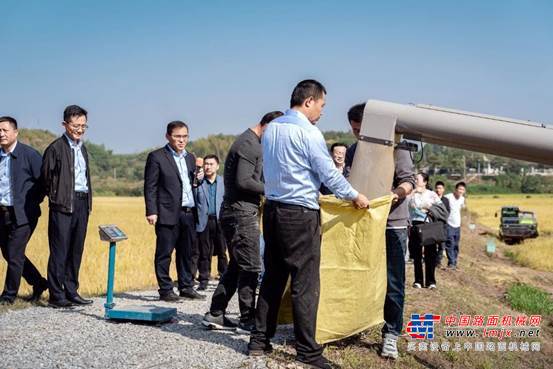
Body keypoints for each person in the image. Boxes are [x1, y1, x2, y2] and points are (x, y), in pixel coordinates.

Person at [249, 80, 369, 369]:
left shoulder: (272, 128)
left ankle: (258, 341)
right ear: (308, 102)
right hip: (300, 214)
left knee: (273, 277)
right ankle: (308, 351)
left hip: (273, 210)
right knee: (305, 282)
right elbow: (328, 173)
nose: (322, 111)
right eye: (322, 105)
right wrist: (355, 196)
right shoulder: (309, 132)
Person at [345, 102, 415, 360]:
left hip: (393, 224)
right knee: (359, 276)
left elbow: (409, 182)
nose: (358, 135)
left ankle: (391, 334)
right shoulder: (354, 151)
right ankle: (356, 324)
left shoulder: (400, 148)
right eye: (354, 130)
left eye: (361, 129)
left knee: (393, 281)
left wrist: (392, 196)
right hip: (365, 224)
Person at [202, 110, 283, 332]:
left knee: (238, 265)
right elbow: (244, 181)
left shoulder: (250, 142)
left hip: (237, 213)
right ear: (268, 126)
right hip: (240, 215)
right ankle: (248, 320)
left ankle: (216, 313)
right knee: (251, 267)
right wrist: (273, 190)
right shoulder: (249, 145)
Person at [144, 120, 204, 302]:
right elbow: (150, 186)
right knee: (164, 253)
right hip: (167, 212)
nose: (181, 140)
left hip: (188, 211)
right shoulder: (157, 157)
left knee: (187, 253)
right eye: (177, 136)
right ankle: (165, 289)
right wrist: (151, 211)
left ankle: (186, 286)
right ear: (168, 136)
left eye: (185, 136)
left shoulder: (190, 158)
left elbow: (192, 184)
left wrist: (199, 178)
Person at [42, 105, 93, 308]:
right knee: (59, 250)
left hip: (82, 203)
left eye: (83, 125)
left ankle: (71, 290)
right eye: (75, 125)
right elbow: (46, 178)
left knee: (75, 249)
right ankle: (56, 294)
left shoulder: (83, 148)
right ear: (65, 124)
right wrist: (56, 196)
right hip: (62, 205)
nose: (79, 129)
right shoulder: (55, 148)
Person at [0, 116, 48, 305]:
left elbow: (44, 183)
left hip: (24, 214)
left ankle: (8, 296)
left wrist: (32, 204)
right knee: (9, 253)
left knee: (14, 253)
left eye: (5, 130)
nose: (1, 134)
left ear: (15, 132)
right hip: (2, 213)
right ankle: (39, 282)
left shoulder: (30, 155)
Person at [195, 154, 227, 290]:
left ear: (217, 166)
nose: (208, 166)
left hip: (220, 220)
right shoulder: (199, 182)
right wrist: (196, 180)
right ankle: (203, 279)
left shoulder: (224, 182)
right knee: (204, 252)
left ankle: (224, 277)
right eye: (206, 164)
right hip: (204, 221)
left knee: (222, 251)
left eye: (211, 164)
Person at [408, 173, 442, 289]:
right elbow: (405, 205)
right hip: (415, 224)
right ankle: (418, 280)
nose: (415, 181)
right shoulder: (412, 193)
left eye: (417, 179)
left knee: (430, 254)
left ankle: (431, 281)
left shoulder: (432, 194)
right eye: (415, 179)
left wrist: (429, 209)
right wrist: (412, 192)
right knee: (416, 254)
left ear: (425, 182)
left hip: (428, 224)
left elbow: (441, 208)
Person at [444, 182, 466, 270]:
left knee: (456, 245)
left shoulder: (462, 199)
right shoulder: (448, 197)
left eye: (463, 190)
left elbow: (461, 209)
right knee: (450, 243)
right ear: (455, 189)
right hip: (449, 224)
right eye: (459, 189)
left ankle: (454, 262)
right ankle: (451, 263)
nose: (461, 191)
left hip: (457, 225)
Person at [434, 181, 450, 267]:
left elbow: (447, 212)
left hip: (442, 225)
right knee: (432, 244)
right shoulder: (432, 199)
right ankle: (431, 260)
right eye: (437, 188)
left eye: (440, 188)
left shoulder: (446, 200)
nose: (438, 190)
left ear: (443, 190)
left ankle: (438, 261)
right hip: (433, 225)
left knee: (441, 245)